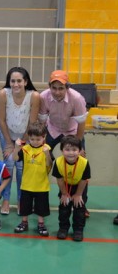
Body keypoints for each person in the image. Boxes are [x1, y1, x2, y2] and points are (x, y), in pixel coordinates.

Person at [38, 70, 90, 217]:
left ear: (67, 87)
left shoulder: (77, 98)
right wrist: (42, 143)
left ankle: (81, 203)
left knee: (81, 165)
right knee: (41, 160)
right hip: (52, 130)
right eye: (53, 88)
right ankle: (41, 200)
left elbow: (81, 124)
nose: (57, 92)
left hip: (72, 131)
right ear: (49, 87)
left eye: (61, 88)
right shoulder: (44, 97)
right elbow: (42, 121)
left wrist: (78, 146)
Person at [0, 66, 40, 215]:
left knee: (22, 167)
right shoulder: (3, 94)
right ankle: (6, 199)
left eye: (19, 81)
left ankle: (22, 200)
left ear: (26, 82)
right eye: (12, 81)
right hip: (7, 134)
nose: (16, 84)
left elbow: (32, 123)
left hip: (25, 136)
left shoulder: (34, 96)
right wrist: (9, 143)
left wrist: (21, 143)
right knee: (8, 165)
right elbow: (1, 120)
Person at [12, 122, 52, 236]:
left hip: (41, 185)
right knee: (25, 206)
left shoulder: (46, 148)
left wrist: (47, 154)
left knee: (41, 208)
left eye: (38, 139)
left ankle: (41, 224)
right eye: (32, 139)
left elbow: (49, 164)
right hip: (27, 184)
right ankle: (24, 222)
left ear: (44, 137)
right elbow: (15, 158)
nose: (35, 142)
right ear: (29, 138)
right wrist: (16, 147)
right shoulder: (25, 149)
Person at [52, 135, 91, 242]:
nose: (71, 153)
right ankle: (63, 228)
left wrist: (78, 194)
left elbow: (84, 180)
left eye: (74, 150)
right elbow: (59, 179)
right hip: (65, 186)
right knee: (64, 207)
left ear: (79, 151)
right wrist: (64, 193)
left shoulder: (84, 163)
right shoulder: (58, 162)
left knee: (79, 208)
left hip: (79, 186)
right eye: (67, 149)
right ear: (61, 150)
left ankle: (78, 230)